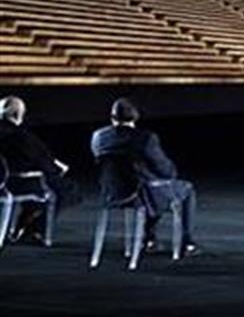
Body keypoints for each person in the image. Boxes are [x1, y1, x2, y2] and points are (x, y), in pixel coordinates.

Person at [90, 98, 199, 256]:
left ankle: (149, 239)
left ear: (112, 118)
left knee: (153, 187)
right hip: (142, 194)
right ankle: (187, 243)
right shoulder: (145, 138)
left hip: (111, 193)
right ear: (135, 117)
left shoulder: (98, 137)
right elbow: (165, 169)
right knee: (185, 190)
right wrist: (169, 174)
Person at [0, 96, 79, 244]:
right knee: (67, 189)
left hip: (4, 181)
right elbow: (43, 161)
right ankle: (35, 229)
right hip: (18, 183)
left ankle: (23, 226)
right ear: (19, 115)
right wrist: (58, 168)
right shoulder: (22, 136)